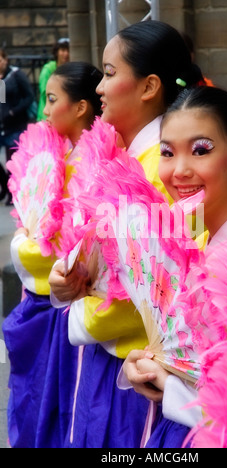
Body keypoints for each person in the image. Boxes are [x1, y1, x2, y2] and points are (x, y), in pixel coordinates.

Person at [49, 20, 202, 448]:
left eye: (110, 73)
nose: (99, 87)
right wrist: (70, 278)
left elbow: (159, 292)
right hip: (113, 359)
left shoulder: (163, 171)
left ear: (149, 86)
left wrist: (82, 313)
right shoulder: (122, 157)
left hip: (139, 375)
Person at [121, 86, 227, 447]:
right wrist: (152, 364)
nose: (179, 170)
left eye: (200, 150)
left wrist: (174, 389)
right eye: (167, 152)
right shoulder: (193, 245)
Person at [2, 61, 103, 448]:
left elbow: (67, 247)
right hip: (48, 301)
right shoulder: (59, 155)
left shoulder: (92, 166)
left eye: (51, 99)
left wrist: (23, 246)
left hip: (63, 305)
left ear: (80, 107)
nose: (44, 110)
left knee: (56, 406)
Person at [0, 48, 35, 204]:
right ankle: (5, 186)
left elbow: (29, 96)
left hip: (15, 125)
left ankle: (12, 193)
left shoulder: (16, 75)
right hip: (2, 125)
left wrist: (14, 111)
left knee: (12, 161)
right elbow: (1, 101)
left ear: (5, 59)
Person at [37, 38, 70, 122]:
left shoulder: (70, 69)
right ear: (56, 52)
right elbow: (45, 93)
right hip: (46, 116)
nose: (66, 53)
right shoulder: (47, 70)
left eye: (68, 50)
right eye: (63, 50)